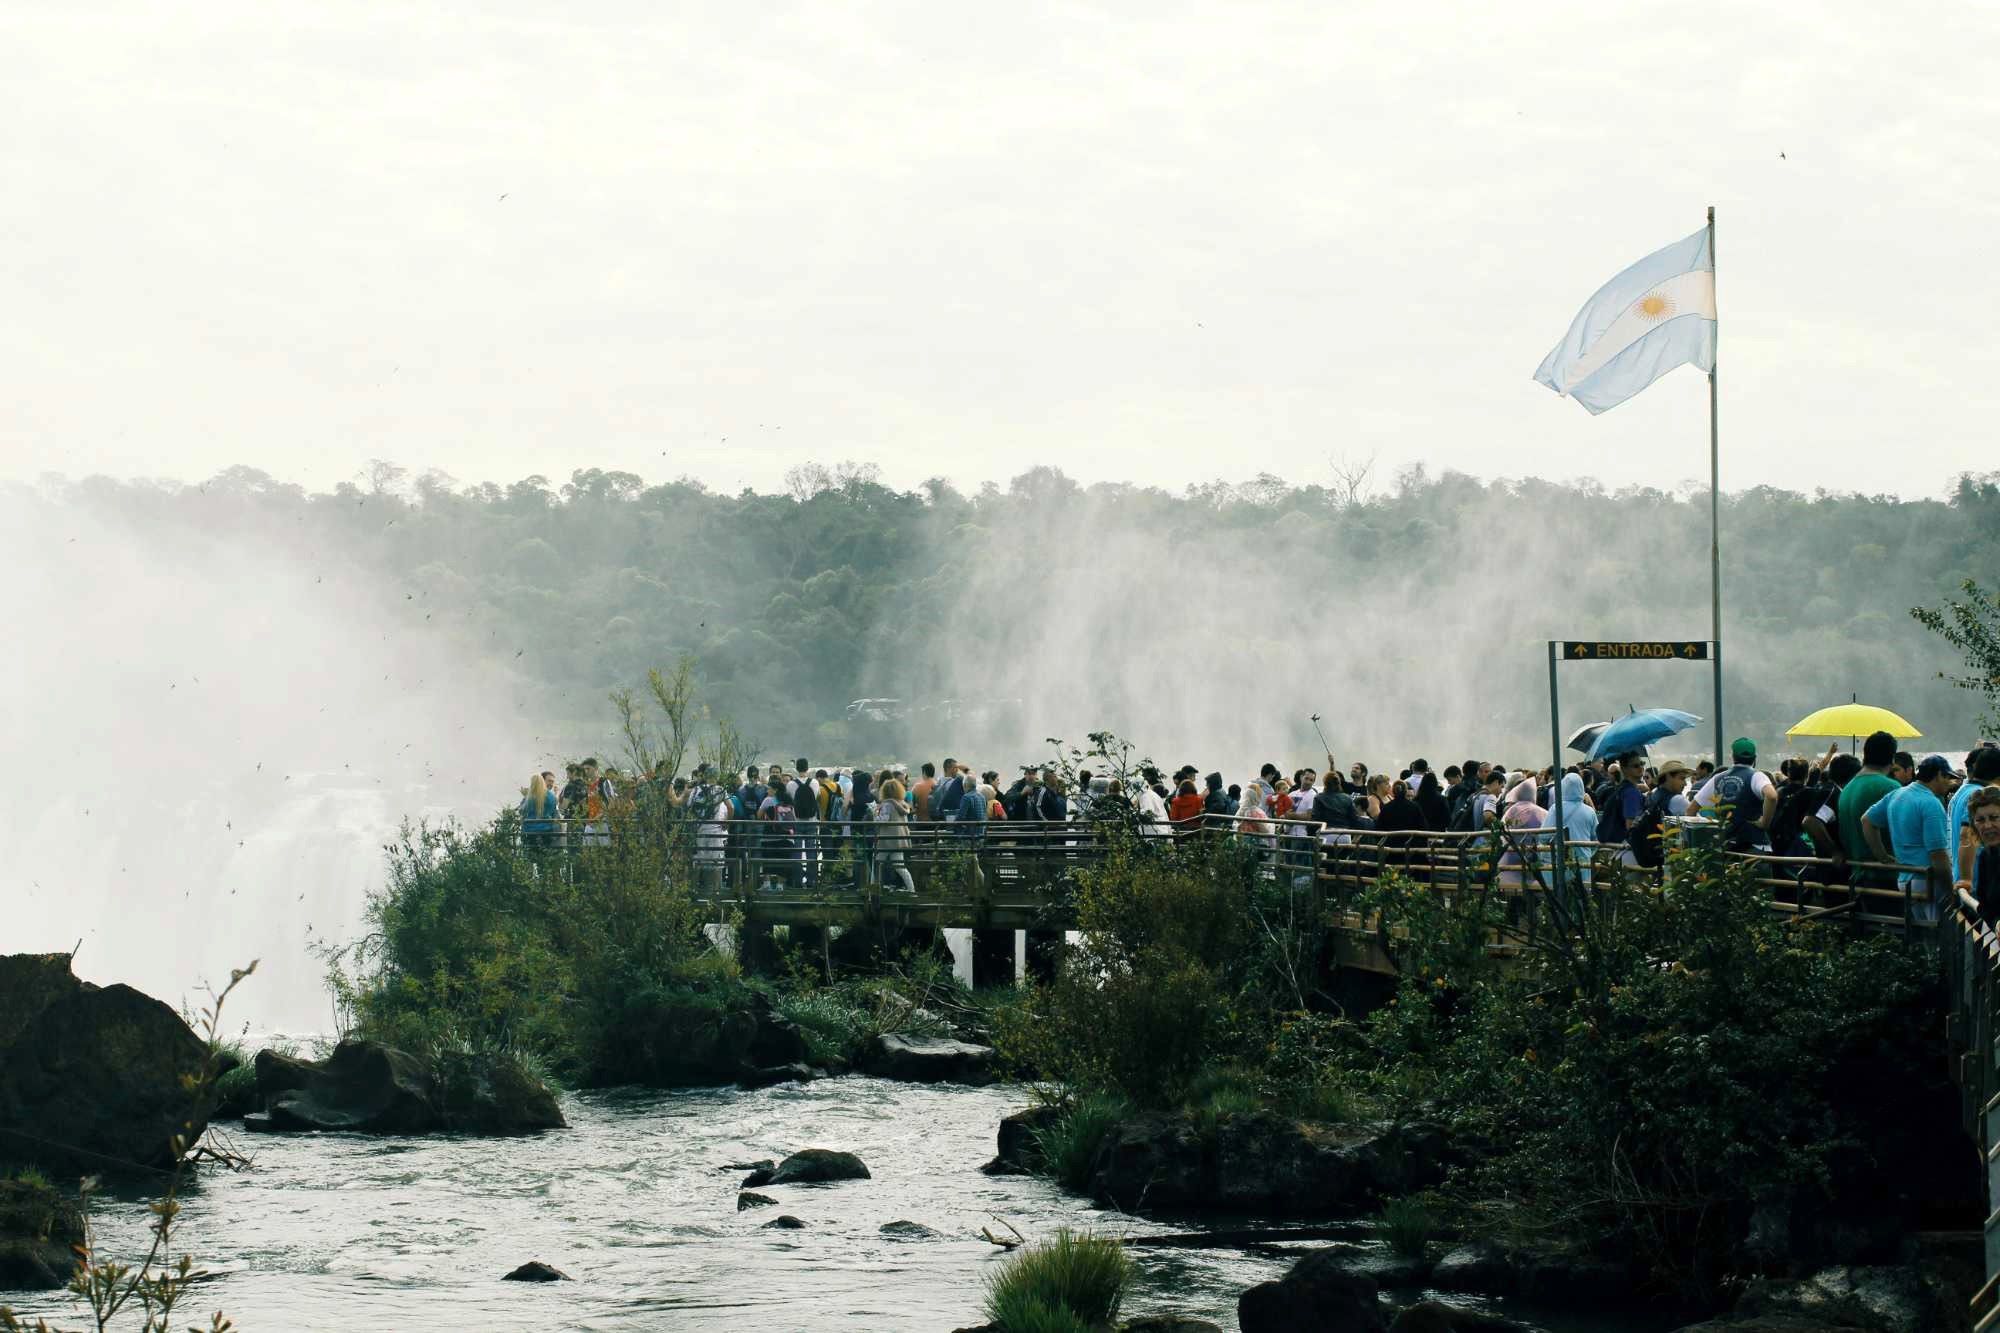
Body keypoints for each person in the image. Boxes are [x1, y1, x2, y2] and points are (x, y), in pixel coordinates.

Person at [1861, 754, 1957, 924]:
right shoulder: (1931, 803)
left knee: (1920, 936)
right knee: (1940, 939)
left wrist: (1882, 856)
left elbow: (1867, 820)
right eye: (1948, 777)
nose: (1949, 782)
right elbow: (1938, 855)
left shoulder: (1897, 794)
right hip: (1928, 882)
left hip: (1905, 880)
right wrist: (1950, 892)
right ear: (1938, 775)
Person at [1837, 731, 1903, 889]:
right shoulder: (1891, 787)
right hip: (1887, 876)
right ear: (1892, 758)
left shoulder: (1847, 789)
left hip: (1857, 873)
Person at [1688, 738, 1778, 851]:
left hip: (1726, 847)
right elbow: (1772, 796)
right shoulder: (1757, 776)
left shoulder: (1717, 778)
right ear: (1755, 758)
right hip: (1755, 846)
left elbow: (1691, 810)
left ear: (1733, 757)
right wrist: (1764, 822)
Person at [1949, 746, 2000, 880]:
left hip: (1961, 874)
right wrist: (1967, 881)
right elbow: (1966, 837)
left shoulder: (1962, 790)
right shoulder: (1978, 796)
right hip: (1975, 879)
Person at [1546, 770, 1598, 887]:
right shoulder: (1590, 811)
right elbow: (1596, 838)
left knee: (1561, 896)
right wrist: (1589, 853)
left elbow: (1543, 836)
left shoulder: (1556, 808)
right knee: (1583, 896)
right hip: (1583, 861)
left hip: (1560, 860)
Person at [1960, 786, 2000, 925]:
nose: (1988, 825)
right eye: (1980, 820)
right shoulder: (1986, 855)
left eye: (1994, 818)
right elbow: (1986, 908)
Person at [873, 777, 917, 893]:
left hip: (887, 840)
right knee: (900, 866)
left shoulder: (887, 804)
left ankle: (873, 889)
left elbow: (883, 820)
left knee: (877, 863)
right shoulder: (902, 803)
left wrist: (874, 814)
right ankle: (912, 890)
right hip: (898, 840)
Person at [519, 773, 558, 849]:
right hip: (547, 829)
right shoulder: (552, 796)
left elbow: (522, 811)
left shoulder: (530, 797)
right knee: (545, 852)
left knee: (531, 853)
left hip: (530, 830)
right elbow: (554, 812)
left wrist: (525, 796)